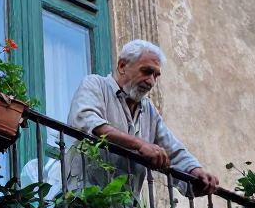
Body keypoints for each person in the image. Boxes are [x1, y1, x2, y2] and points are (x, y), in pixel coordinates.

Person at [64, 40, 220, 196]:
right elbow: (87, 121)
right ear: (122, 66)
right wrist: (140, 145)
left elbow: (173, 150)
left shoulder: (149, 110)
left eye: (156, 75)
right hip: (83, 198)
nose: (151, 81)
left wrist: (196, 171)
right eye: (146, 71)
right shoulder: (95, 84)